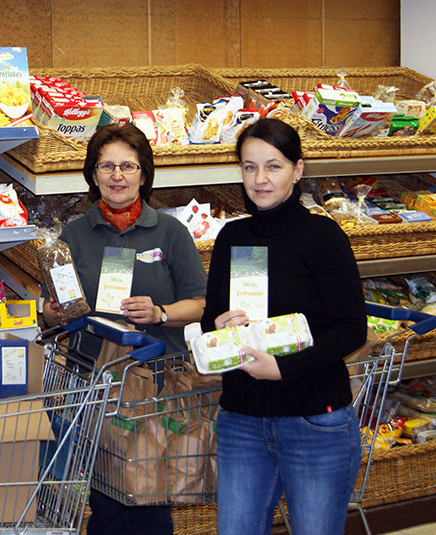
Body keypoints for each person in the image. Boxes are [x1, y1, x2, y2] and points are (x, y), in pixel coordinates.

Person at [199, 118, 366, 535]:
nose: (260, 179)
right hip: (242, 419)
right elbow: (208, 322)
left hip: (314, 420)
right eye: (249, 167)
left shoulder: (322, 236)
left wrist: (282, 368)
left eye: (273, 166)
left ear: (298, 169)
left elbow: (350, 329)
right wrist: (217, 325)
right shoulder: (231, 237)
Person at [42, 122, 207, 535]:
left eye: (128, 166)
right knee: (105, 500)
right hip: (93, 385)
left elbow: (202, 304)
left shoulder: (170, 232)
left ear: (144, 174)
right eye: (107, 166)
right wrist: (54, 314)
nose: (117, 175)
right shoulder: (74, 235)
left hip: (153, 385)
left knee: (148, 499)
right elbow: (51, 311)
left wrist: (161, 313)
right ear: (93, 175)